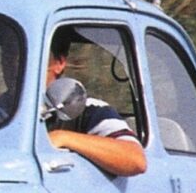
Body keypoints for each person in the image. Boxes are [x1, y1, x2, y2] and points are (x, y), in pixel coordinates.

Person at [45, 30, 147, 177]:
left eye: (23, 58)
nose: (11, 66)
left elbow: (135, 159)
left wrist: (63, 137)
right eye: (6, 56)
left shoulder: (88, 110)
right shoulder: (3, 111)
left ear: (59, 63)